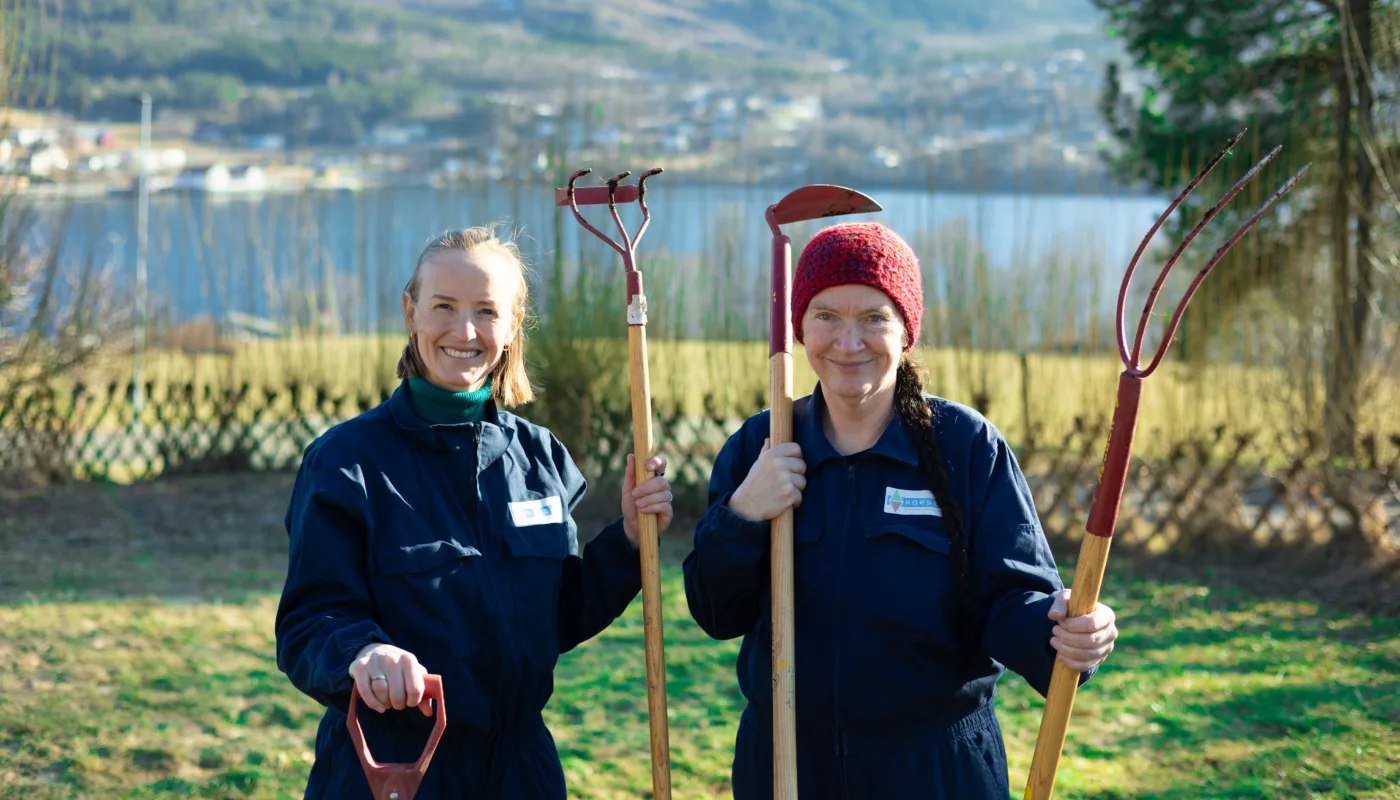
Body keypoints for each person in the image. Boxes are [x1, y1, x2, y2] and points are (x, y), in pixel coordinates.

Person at [682, 222, 1120, 799]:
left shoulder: (964, 445)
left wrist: (1064, 631)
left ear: (906, 330)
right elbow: (715, 611)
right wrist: (742, 513)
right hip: (787, 765)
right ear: (799, 327)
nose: (847, 341)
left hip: (934, 769)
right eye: (826, 315)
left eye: (873, 317)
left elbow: (1014, 598)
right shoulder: (762, 444)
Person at [275, 225, 675, 799]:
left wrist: (631, 542)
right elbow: (308, 623)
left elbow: (556, 618)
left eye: (486, 311)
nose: (464, 331)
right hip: (394, 774)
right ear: (411, 312)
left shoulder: (541, 459)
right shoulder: (346, 462)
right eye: (443, 306)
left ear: (513, 324)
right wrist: (364, 652)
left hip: (521, 774)